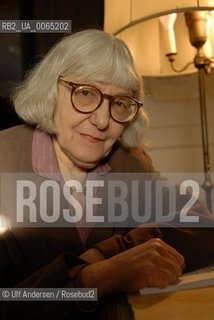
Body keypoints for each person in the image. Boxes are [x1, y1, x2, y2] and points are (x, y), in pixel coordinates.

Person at [0, 29, 213, 320]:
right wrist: (94, 278)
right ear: (51, 91)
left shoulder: (129, 163)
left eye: (119, 103)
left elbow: (203, 226)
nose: (102, 121)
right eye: (85, 93)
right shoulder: (5, 160)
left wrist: (109, 253)